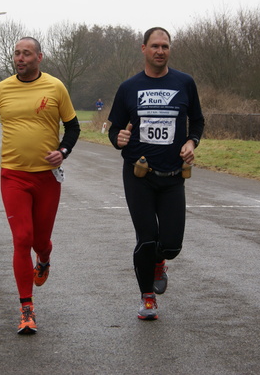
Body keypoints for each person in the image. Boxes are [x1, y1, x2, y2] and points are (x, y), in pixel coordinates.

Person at [0, 37, 80, 334]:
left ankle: (45, 257)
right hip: (14, 176)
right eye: (16, 53)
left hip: (48, 177)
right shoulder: (1, 89)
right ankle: (26, 308)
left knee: (39, 241)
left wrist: (63, 151)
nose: (20, 58)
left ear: (39, 57)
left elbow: (73, 127)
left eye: (26, 54)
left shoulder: (56, 87)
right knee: (22, 239)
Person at [107, 27, 204, 320]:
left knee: (171, 244)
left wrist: (191, 141)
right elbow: (114, 128)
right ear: (144, 49)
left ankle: (160, 261)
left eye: (165, 46)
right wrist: (117, 139)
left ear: (169, 49)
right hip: (140, 175)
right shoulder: (129, 87)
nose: (160, 51)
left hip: (174, 175)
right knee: (147, 238)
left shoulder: (185, 82)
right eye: (155, 46)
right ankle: (147, 296)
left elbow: (197, 120)